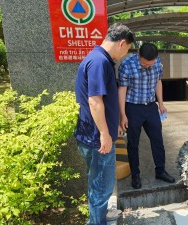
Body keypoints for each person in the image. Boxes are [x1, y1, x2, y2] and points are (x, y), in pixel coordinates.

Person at [74, 23, 134, 225]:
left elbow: (102, 100)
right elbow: (95, 101)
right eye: (127, 50)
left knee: (98, 185)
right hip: (96, 138)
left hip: (93, 134)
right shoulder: (100, 62)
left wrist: (114, 123)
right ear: (122, 43)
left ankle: (96, 219)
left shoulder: (97, 58)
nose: (125, 54)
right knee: (102, 187)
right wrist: (104, 133)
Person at [118, 43, 175, 190]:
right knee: (133, 143)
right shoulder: (126, 65)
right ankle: (135, 175)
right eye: (144, 64)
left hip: (150, 106)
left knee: (157, 140)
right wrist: (123, 114)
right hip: (132, 107)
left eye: (151, 64)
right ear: (138, 54)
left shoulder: (157, 63)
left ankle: (160, 170)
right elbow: (122, 90)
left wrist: (161, 104)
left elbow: (158, 82)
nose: (148, 66)